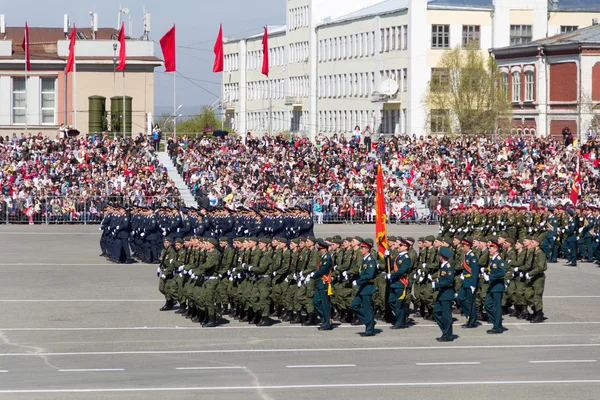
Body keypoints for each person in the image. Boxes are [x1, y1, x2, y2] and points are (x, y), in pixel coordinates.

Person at [352, 238, 377, 337]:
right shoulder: (365, 260)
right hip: (363, 287)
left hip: (367, 287)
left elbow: (369, 275)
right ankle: (369, 321)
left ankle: (369, 330)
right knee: (355, 305)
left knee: (367, 309)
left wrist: (358, 281)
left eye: (362, 248)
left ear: (367, 249)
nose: (360, 250)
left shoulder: (370, 260)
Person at [432, 246, 455, 342]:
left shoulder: (448, 267)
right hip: (442, 294)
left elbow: (449, 281)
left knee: (446, 315)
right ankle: (445, 331)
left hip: (447, 294)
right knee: (436, 312)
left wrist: (437, 284)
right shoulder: (443, 267)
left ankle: (447, 335)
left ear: (442, 256)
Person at [388, 237, 411, 329]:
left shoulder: (406, 258)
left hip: (400, 283)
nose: (399, 246)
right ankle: (401, 316)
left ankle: (400, 322)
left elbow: (402, 271)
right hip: (394, 283)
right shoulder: (398, 256)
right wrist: (387, 257)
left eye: (401, 245)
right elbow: (391, 263)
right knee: (391, 301)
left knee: (399, 304)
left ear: (406, 247)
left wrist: (392, 276)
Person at [484, 239, 507, 334]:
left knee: (496, 308)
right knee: (487, 305)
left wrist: (490, 277)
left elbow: (502, 272)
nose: (489, 250)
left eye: (491, 248)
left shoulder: (499, 260)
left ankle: (497, 327)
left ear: (496, 249)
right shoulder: (492, 259)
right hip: (492, 286)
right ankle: (497, 323)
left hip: (497, 287)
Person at [311, 239, 334, 331]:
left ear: (325, 249)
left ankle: (327, 322)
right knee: (316, 302)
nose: (319, 251)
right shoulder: (323, 257)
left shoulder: (327, 258)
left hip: (324, 282)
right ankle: (324, 319)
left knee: (325, 304)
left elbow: (322, 271)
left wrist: (313, 275)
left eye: (320, 249)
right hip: (320, 282)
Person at [457, 237, 479, 328]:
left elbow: (475, 271)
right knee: (460, 298)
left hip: (470, 282)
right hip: (465, 281)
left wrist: (473, 285)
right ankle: (469, 315)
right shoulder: (467, 256)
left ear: (468, 246)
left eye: (464, 246)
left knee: (471, 302)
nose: (462, 248)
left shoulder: (472, 257)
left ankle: (472, 321)